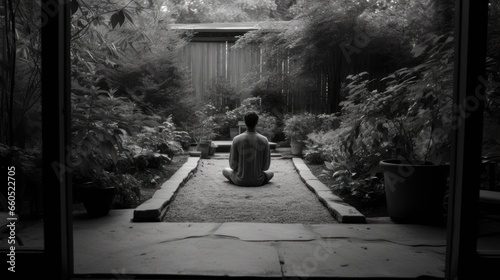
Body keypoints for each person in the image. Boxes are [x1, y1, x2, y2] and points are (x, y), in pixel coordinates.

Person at [222, 111, 274, 186]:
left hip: (239, 180)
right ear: (257, 122)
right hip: (258, 180)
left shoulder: (237, 139)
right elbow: (265, 167)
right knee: (271, 173)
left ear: (245, 122)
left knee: (225, 170)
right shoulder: (264, 140)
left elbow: (233, 166)